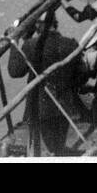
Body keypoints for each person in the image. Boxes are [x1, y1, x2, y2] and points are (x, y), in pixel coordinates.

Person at [6, 10, 81, 155]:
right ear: (55, 23)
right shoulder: (70, 44)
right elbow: (81, 74)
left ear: (38, 26)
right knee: (57, 147)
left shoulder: (31, 45)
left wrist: (14, 44)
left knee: (43, 150)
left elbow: (15, 71)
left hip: (40, 107)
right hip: (65, 105)